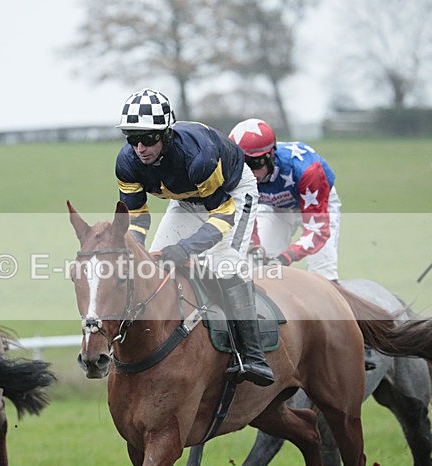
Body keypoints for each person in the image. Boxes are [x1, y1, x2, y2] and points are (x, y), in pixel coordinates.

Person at [115, 88, 275, 386]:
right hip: (187, 199)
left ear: (165, 134)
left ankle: (253, 356)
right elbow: (137, 217)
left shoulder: (197, 157)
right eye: (132, 138)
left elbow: (223, 215)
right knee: (153, 265)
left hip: (231, 194)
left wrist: (186, 248)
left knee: (223, 263)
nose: (140, 148)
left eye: (148, 138)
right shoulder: (126, 163)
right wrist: (134, 250)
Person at [229, 118, 341, 282]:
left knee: (323, 274)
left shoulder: (308, 171)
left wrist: (285, 257)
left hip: (316, 203)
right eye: (242, 164)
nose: (249, 173)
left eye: (255, 163)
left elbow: (318, 230)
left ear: (271, 155)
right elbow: (245, 216)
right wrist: (254, 246)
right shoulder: (237, 176)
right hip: (274, 208)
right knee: (257, 269)